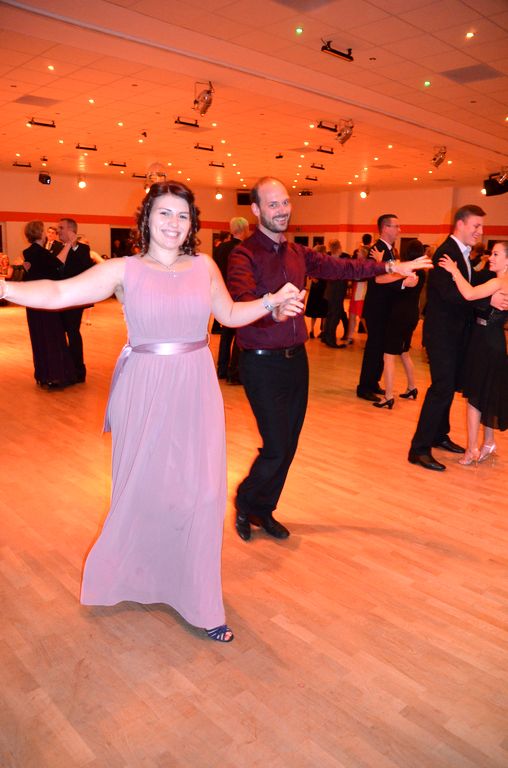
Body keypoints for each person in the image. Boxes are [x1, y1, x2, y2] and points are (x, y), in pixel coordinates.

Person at [0, 181, 303, 643]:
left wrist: (269, 301)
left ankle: (200, 599)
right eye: (164, 213)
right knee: (145, 489)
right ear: (146, 218)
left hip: (196, 387)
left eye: (182, 215)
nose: (173, 223)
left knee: (203, 494)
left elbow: (228, 315)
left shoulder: (203, 266)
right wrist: (5, 287)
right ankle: (138, 575)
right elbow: (59, 293)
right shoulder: (123, 270)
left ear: (192, 223)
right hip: (143, 387)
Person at [227, 177, 432, 542]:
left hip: (296, 361)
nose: (282, 210)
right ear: (256, 209)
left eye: (285, 202)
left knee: (288, 443)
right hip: (260, 363)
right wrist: (272, 312)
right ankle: (246, 501)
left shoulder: (297, 253)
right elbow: (241, 302)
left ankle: (264, 508)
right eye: (273, 204)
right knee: (276, 444)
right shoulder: (244, 255)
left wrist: (391, 268)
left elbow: (344, 268)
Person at [408, 204, 508, 471]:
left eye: (481, 226)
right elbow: (451, 295)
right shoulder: (445, 253)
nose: (480, 231)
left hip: (457, 335)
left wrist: (498, 281)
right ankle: (419, 449)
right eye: (476, 226)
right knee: (441, 388)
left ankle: (439, 435)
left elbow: (471, 281)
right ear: (460, 224)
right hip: (442, 335)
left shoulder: (462, 253)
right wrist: (489, 299)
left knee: (450, 386)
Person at [438, 242, 507, 465]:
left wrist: (454, 270)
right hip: (494, 340)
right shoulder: (500, 281)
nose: (490, 257)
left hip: (485, 341)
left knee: (475, 397)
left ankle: (471, 450)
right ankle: (489, 442)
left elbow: (468, 294)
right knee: (487, 392)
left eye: (496, 254)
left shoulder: (498, 282)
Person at [22, 220, 76, 388]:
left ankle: (44, 374)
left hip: (34, 302)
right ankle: (56, 375)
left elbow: (38, 272)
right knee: (52, 336)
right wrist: (69, 244)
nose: (47, 233)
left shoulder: (30, 252)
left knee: (40, 337)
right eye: (44, 230)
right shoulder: (38, 252)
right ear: (39, 233)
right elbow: (57, 264)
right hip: (44, 301)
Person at [373, 239, 426, 409]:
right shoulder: (421, 272)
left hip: (399, 316)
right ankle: (412, 387)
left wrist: (379, 262)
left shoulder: (407, 271)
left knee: (388, 355)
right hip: (411, 315)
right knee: (404, 352)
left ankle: (388, 397)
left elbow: (380, 279)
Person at [357, 215, 403, 402]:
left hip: (386, 308)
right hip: (377, 308)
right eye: (396, 226)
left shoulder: (389, 250)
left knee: (381, 347)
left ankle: (373, 382)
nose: (399, 230)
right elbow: (378, 279)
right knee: (374, 347)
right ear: (385, 228)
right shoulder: (377, 250)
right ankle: (364, 387)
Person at [57, 218, 94, 382]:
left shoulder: (83, 249)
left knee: (72, 332)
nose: (58, 231)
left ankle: (78, 371)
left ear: (71, 230)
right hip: (58, 298)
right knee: (60, 333)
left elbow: (86, 267)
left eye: (61, 228)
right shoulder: (57, 248)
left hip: (75, 299)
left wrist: (74, 246)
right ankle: (64, 368)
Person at [215, 217, 250, 383]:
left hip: (222, 296)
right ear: (244, 229)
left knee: (226, 334)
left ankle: (221, 369)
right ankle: (234, 372)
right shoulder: (244, 249)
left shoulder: (221, 248)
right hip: (238, 296)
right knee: (240, 334)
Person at [321, 239, 351, 349]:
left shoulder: (328, 259)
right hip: (337, 291)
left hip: (330, 290)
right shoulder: (340, 261)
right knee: (335, 316)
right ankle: (331, 341)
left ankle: (326, 337)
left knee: (330, 315)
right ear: (338, 248)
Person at [345, 234, 371, 345]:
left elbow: (365, 278)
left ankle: (371, 337)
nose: (357, 253)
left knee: (362, 316)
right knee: (351, 313)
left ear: (364, 254)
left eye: (359, 252)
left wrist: (355, 277)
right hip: (356, 289)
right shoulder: (356, 263)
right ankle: (350, 336)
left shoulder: (367, 264)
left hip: (362, 291)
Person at [304, 244, 328, 338]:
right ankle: (322, 331)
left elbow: (313, 278)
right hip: (322, 289)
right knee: (323, 312)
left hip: (316, 289)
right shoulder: (324, 262)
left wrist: (312, 276)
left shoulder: (315, 262)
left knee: (315, 311)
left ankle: (312, 330)